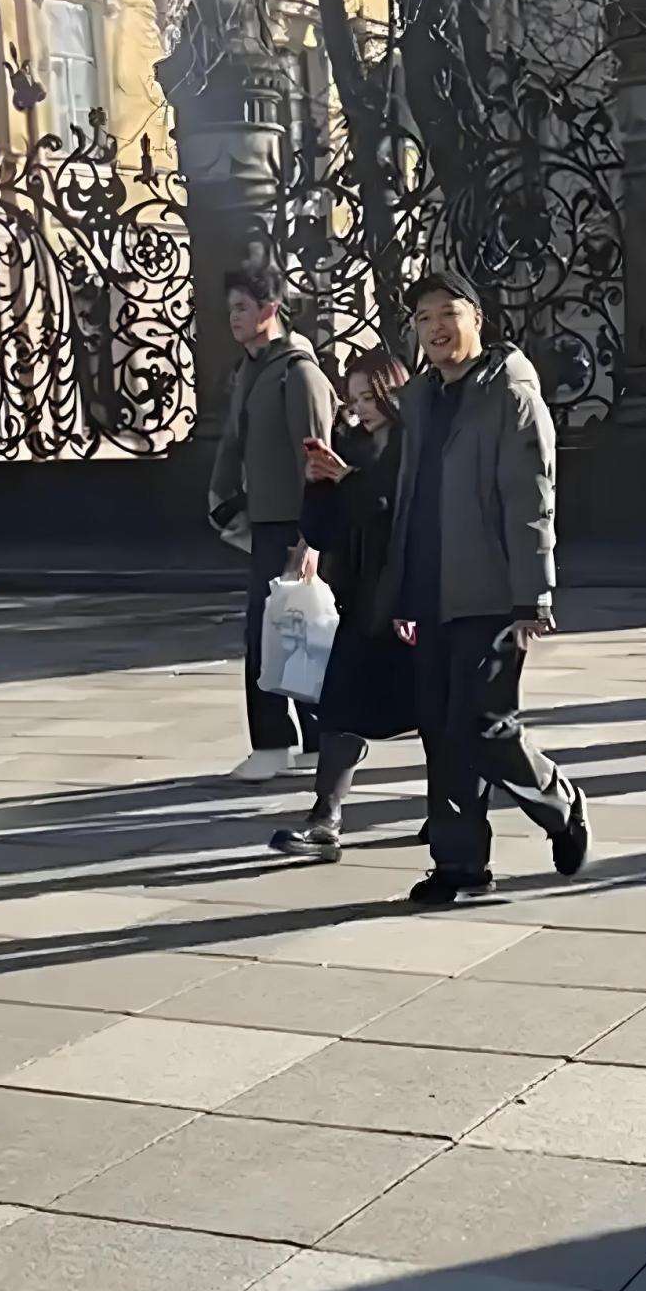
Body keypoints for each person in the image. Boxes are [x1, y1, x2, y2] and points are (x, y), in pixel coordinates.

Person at [375, 270, 590, 905]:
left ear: (477, 319)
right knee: (441, 730)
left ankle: (559, 805)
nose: (436, 327)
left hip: (492, 592)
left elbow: (531, 496)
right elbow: (410, 499)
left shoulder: (510, 392)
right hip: (430, 592)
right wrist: (403, 592)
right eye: (423, 318)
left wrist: (533, 595)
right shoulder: (420, 398)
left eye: (448, 313)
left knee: (486, 724)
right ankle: (460, 865)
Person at [270, 350, 417, 862]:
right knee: (340, 705)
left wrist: (347, 478)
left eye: (371, 396)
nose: (362, 408)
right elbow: (325, 529)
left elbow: (391, 512)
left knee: (438, 711)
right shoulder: (351, 445)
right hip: (357, 599)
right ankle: (325, 817)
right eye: (353, 399)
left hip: (409, 596)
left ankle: (453, 812)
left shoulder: (414, 446)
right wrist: (318, 484)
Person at [208, 260, 338, 781]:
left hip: (294, 526)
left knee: (283, 633)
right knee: (283, 633)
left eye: (243, 307)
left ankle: (281, 743)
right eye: (230, 309)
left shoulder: (297, 373)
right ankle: (305, 741)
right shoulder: (250, 371)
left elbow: (318, 462)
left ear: (271, 308)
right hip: (265, 524)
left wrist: (311, 539)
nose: (234, 318)